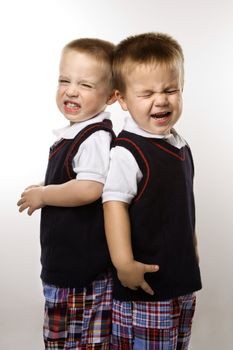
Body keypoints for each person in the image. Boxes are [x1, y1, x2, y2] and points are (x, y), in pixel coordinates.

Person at [103, 32, 202, 349]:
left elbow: (183, 208)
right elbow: (113, 205)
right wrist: (123, 264)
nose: (161, 100)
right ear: (122, 99)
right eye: (147, 93)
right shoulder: (127, 151)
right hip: (144, 286)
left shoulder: (179, 144)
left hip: (180, 280)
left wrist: (192, 248)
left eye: (170, 90)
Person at [17, 37, 116, 349]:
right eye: (64, 80)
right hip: (65, 267)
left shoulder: (96, 137)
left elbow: (89, 187)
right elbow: (75, 178)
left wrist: (45, 195)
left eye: (85, 84)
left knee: (83, 342)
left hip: (85, 273)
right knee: (60, 339)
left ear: (112, 96)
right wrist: (44, 187)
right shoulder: (75, 134)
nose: (71, 90)